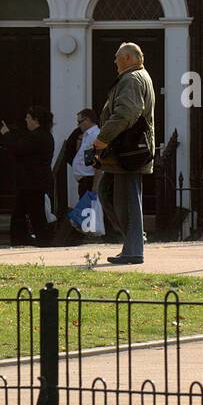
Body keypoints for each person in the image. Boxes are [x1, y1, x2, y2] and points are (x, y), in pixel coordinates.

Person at [95, 43, 155, 265]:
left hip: (128, 152)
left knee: (127, 200)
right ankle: (134, 239)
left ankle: (134, 249)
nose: (114, 63)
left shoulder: (131, 79)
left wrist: (102, 139)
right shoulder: (138, 77)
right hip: (124, 152)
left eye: (117, 58)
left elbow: (126, 113)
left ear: (128, 58)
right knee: (107, 192)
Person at [0, 107, 55, 247]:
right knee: (30, 212)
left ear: (36, 120)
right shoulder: (44, 136)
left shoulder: (37, 136)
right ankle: (31, 239)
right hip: (34, 181)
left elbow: (19, 148)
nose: (26, 120)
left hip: (31, 182)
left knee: (30, 213)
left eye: (28, 117)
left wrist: (7, 134)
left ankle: (33, 240)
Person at [71, 109, 100, 200]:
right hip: (85, 181)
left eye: (79, 122)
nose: (78, 125)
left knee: (88, 211)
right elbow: (88, 160)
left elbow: (97, 163)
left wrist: (95, 186)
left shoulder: (94, 135)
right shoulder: (87, 135)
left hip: (89, 181)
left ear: (87, 120)